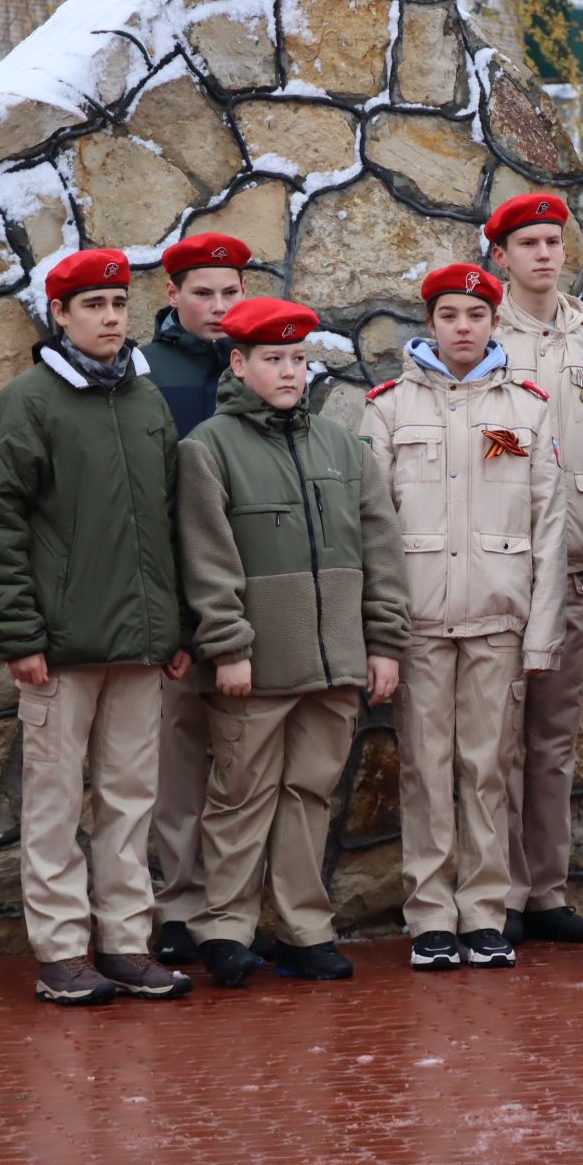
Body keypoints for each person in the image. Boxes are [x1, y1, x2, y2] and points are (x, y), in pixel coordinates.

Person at [0, 248, 195, 1008]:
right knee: (58, 806)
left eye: (118, 304)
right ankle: (63, 952)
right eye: (91, 305)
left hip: (141, 644)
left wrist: (178, 626)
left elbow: (172, 521)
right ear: (58, 314)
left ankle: (126, 943)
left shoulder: (144, 400)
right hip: (59, 648)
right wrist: (21, 636)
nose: (109, 318)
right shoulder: (29, 401)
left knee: (131, 801)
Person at [174, 297, 410, 988]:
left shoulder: (342, 448)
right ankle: (224, 928)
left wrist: (383, 643)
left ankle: (304, 928)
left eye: (298, 360)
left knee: (309, 793)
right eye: (273, 359)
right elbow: (206, 559)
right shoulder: (207, 450)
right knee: (241, 794)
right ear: (239, 363)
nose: (288, 372)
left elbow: (381, 550)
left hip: (335, 661)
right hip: (256, 664)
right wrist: (228, 646)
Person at [362, 264, 567, 972]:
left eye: (475, 316)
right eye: (449, 315)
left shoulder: (528, 410)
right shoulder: (389, 409)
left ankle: (483, 911)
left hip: (496, 622)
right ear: (431, 323)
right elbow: (373, 528)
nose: (463, 328)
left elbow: (548, 529)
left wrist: (542, 634)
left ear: (493, 323)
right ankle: (430, 916)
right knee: (424, 770)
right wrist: (380, 632)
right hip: (419, 622)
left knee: (487, 770)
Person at [487, 192, 583, 946]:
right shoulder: (482, 333)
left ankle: (545, 889)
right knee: (498, 741)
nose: (544, 254)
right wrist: (528, 452)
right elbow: (477, 434)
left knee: (555, 740)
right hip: (505, 566)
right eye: (529, 242)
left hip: (573, 569)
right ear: (501, 255)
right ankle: (499, 891)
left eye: (553, 241)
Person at [140, 231, 253, 966]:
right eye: (202, 293)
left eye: (229, 293)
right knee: (176, 764)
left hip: (254, 595)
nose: (216, 307)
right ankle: (179, 905)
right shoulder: (145, 372)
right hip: (176, 600)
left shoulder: (264, 365)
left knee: (249, 765)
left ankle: (236, 910)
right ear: (172, 295)